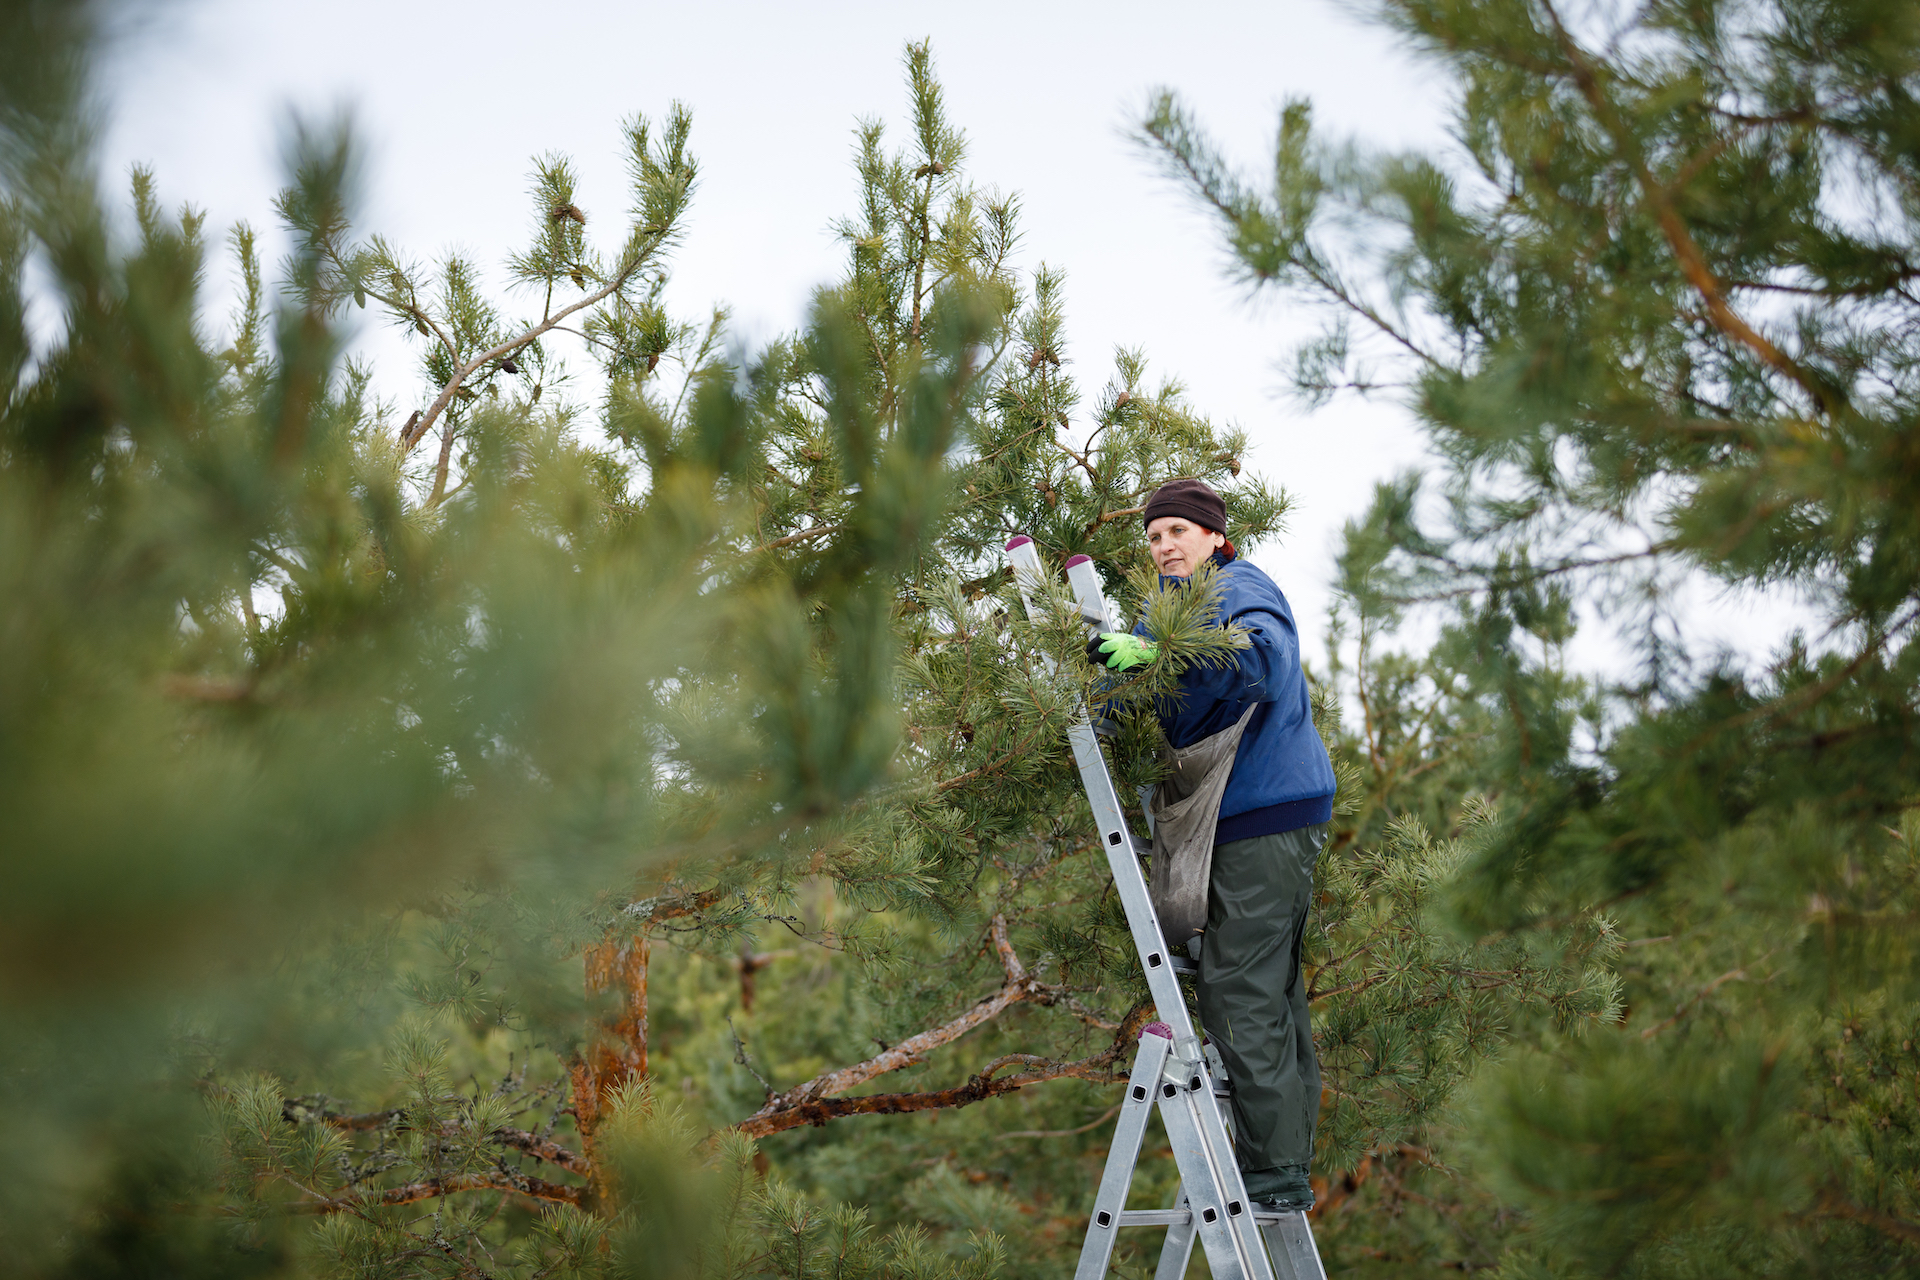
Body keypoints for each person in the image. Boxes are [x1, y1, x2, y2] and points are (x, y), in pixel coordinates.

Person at [1084, 477, 1336, 1211]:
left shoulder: (1238, 587)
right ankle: (1284, 1160)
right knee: (1270, 988)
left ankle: (1276, 1175)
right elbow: (1143, 704)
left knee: (1238, 985)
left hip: (1262, 811)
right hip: (1246, 814)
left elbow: (1263, 662)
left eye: (1178, 533)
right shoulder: (1167, 610)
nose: (1164, 546)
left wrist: (1162, 655)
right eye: (1154, 536)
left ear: (1215, 537)